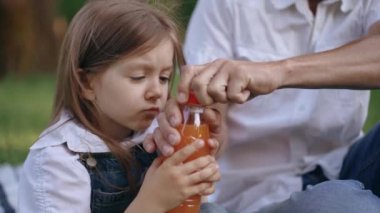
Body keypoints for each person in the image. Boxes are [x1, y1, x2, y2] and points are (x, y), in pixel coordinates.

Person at [143, 0, 380, 212]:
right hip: (252, 195)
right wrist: (209, 132)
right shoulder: (227, 5)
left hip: (346, 166)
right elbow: (210, 113)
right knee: (345, 204)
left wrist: (279, 71)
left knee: (344, 200)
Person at [17, 0, 225, 212]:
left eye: (164, 78)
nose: (156, 92)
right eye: (138, 77)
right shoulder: (58, 162)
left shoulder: (157, 134)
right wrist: (154, 202)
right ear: (86, 83)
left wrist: (197, 163)